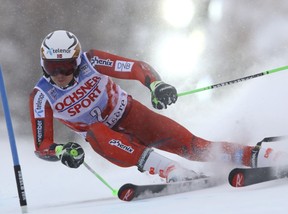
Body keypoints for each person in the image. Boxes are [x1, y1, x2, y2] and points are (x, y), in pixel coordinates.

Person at [29, 30, 285, 183]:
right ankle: (172, 171)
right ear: (44, 65)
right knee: (95, 129)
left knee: (193, 146)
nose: (60, 74)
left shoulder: (91, 61)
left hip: (132, 116)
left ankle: (262, 156)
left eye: (67, 67)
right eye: (53, 67)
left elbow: (135, 67)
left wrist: (155, 85)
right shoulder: (41, 96)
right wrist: (62, 150)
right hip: (108, 142)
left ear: (77, 60)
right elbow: (42, 146)